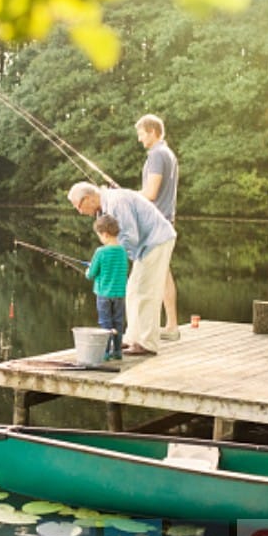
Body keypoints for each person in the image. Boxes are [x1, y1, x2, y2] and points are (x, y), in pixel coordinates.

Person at [67, 182, 176, 355]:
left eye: (78, 206)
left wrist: (112, 258)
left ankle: (147, 343)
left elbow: (130, 236)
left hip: (156, 241)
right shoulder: (106, 207)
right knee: (133, 291)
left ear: (87, 198)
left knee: (145, 292)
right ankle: (132, 338)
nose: (79, 211)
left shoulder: (117, 202)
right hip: (144, 247)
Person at [135, 114, 179, 341]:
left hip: (155, 223)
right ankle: (171, 325)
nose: (140, 139)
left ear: (152, 131)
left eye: (141, 134)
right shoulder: (168, 154)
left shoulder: (156, 155)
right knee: (163, 274)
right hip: (166, 221)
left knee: (147, 278)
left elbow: (150, 193)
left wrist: (127, 196)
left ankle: (151, 329)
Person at [85, 214, 128, 360]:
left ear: (104, 234)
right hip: (120, 294)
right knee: (118, 322)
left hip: (103, 294)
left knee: (105, 323)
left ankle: (105, 353)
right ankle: (117, 351)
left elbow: (91, 274)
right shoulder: (122, 251)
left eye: (99, 236)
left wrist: (88, 269)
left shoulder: (100, 252)